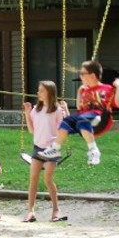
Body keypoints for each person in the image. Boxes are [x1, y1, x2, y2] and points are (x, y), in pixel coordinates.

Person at [38, 60, 119, 166]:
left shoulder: (107, 89)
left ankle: (94, 151)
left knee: (82, 120)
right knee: (66, 121)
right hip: (84, 118)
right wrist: (79, 92)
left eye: (82, 74)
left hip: (101, 118)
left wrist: (118, 86)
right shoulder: (84, 90)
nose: (80, 76)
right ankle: (55, 149)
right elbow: (80, 108)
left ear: (92, 75)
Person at [23, 81, 68, 222]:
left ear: (49, 92)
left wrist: (66, 110)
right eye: (38, 90)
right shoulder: (36, 109)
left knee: (48, 180)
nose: (38, 93)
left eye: (41, 90)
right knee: (33, 180)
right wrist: (26, 113)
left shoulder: (57, 111)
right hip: (37, 148)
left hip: (52, 149)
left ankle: (56, 211)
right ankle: (30, 211)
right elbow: (31, 130)